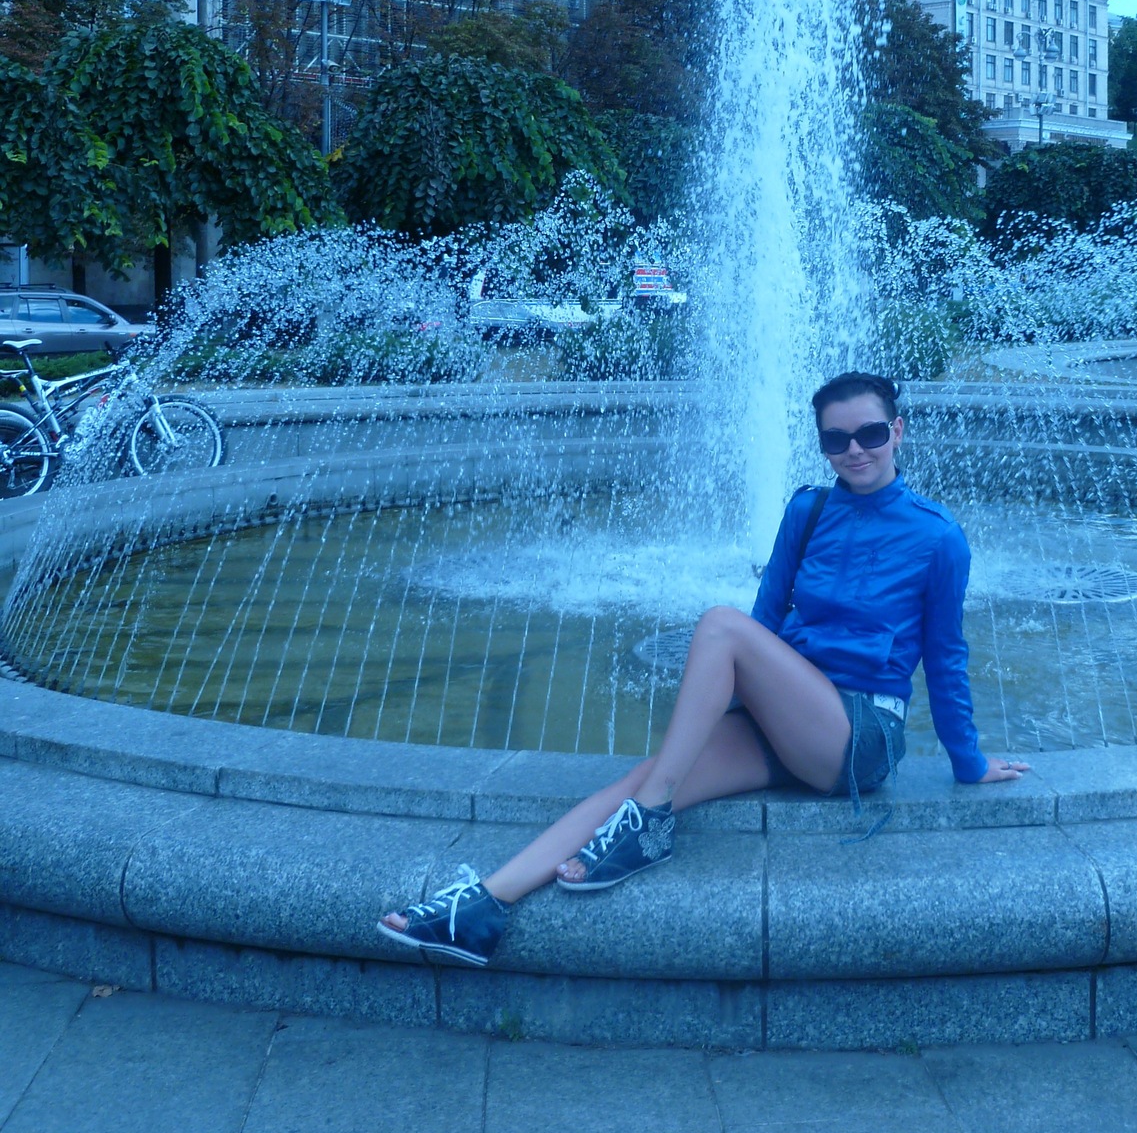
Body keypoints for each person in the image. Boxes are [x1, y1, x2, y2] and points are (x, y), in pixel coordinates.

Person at [377, 371, 1030, 966]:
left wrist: (968, 761)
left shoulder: (937, 536)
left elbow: (946, 658)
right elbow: (767, 619)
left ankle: (648, 823)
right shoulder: (809, 511)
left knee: (719, 626)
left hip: (859, 734)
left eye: (870, 434)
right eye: (836, 439)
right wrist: (735, 712)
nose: (854, 450)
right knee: (645, 776)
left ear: (897, 431)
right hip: (787, 719)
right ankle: (485, 907)